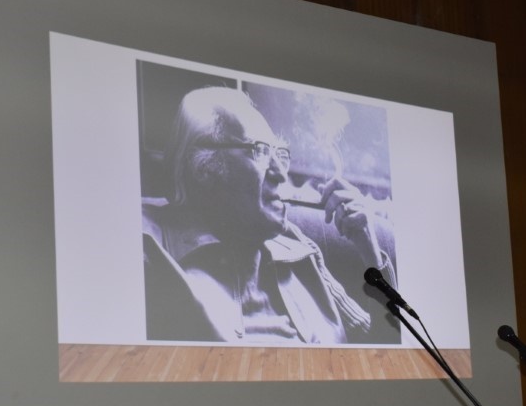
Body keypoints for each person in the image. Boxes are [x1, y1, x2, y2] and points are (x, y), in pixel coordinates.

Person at [141, 85, 396, 344]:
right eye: (260, 151)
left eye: (280, 154)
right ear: (204, 167)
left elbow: (386, 345)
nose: (281, 174)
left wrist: (371, 253)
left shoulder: (299, 248)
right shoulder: (148, 251)